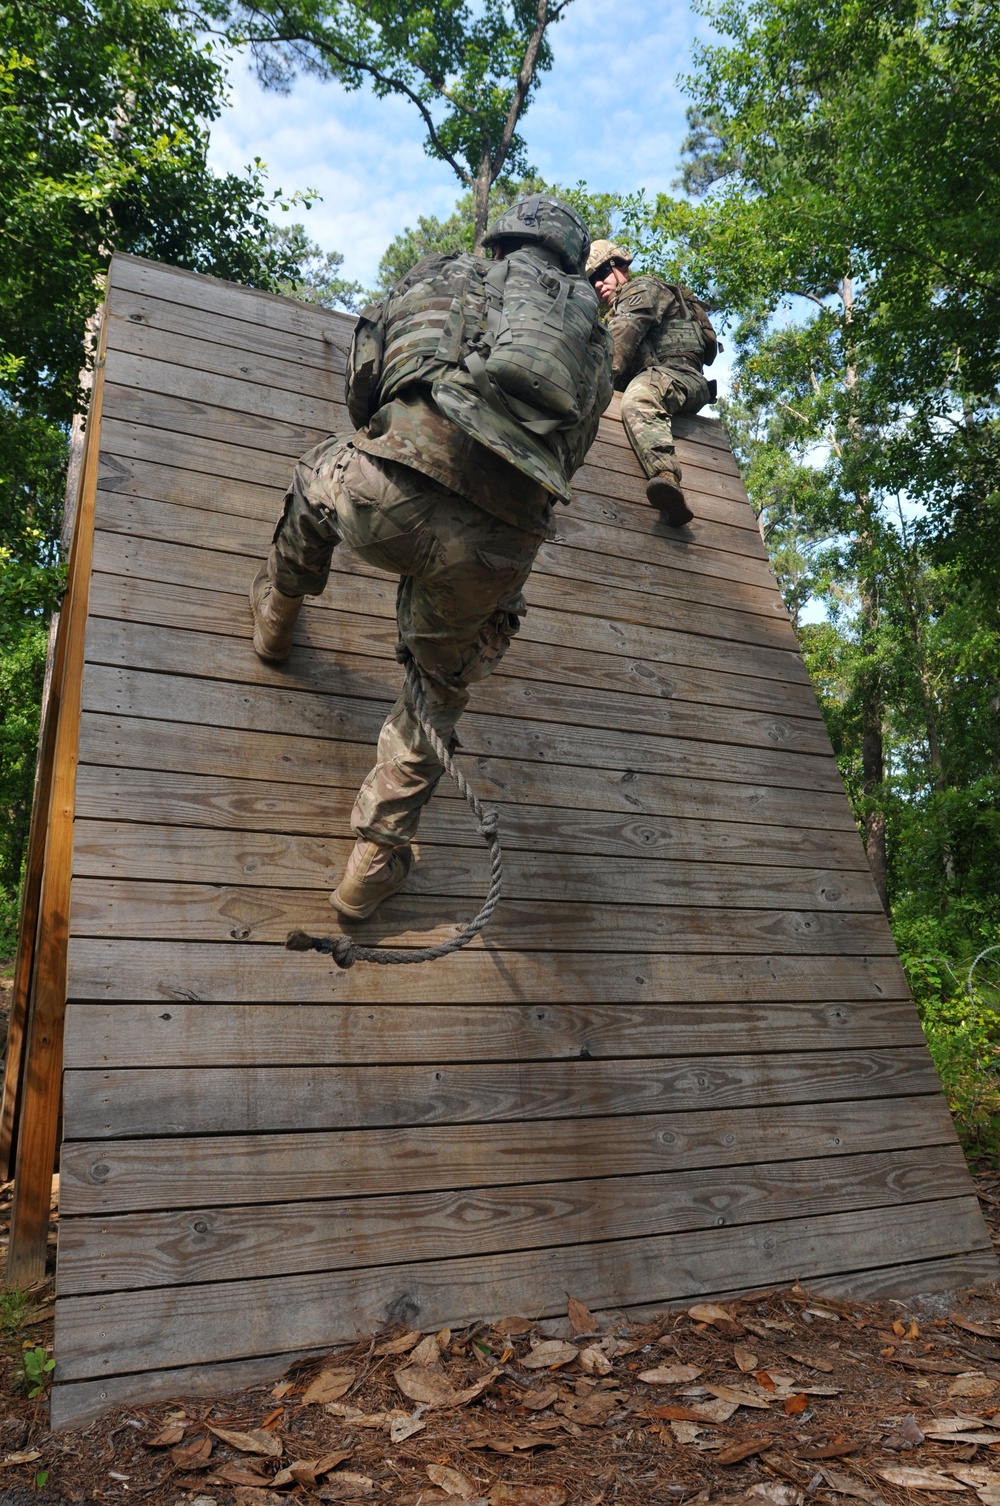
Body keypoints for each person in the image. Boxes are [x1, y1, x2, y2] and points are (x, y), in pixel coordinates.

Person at [249, 195, 613, 920]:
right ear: (571, 262)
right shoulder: (594, 346)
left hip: (388, 493)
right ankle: (372, 865)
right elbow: (568, 458)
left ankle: (279, 612)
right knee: (435, 689)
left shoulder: (447, 272)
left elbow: (363, 383)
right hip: (493, 547)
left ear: (502, 242)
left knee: (314, 477)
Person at [586, 239, 718, 528]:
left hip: (680, 376)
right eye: (591, 280)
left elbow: (618, 347)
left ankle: (666, 476)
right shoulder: (610, 315)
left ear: (619, 267)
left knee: (640, 396)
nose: (597, 285)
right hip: (662, 379)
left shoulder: (641, 288)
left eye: (600, 275)